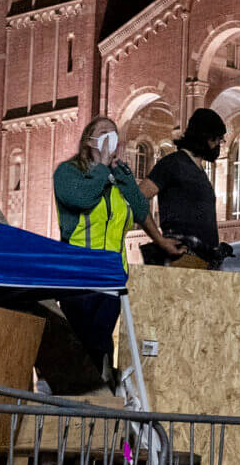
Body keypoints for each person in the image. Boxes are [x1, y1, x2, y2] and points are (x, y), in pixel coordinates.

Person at [51, 115, 178, 376]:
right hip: (79, 278)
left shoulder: (118, 178)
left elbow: (141, 210)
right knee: (82, 347)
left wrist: (160, 240)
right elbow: (83, 199)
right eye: (104, 133)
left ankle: (101, 403)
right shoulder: (68, 173)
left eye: (114, 134)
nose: (112, 138)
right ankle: (82, 403)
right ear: (89, 141)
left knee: (101, 345)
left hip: (111, 277)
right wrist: (100, 168)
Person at [143, 108, 231, 268]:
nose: (219, 144)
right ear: (205, 136)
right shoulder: (173, 163)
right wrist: (159, 240)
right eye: (217, 139)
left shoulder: (200, 171)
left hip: (205, 263)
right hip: (182, 259)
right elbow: (138, 198)